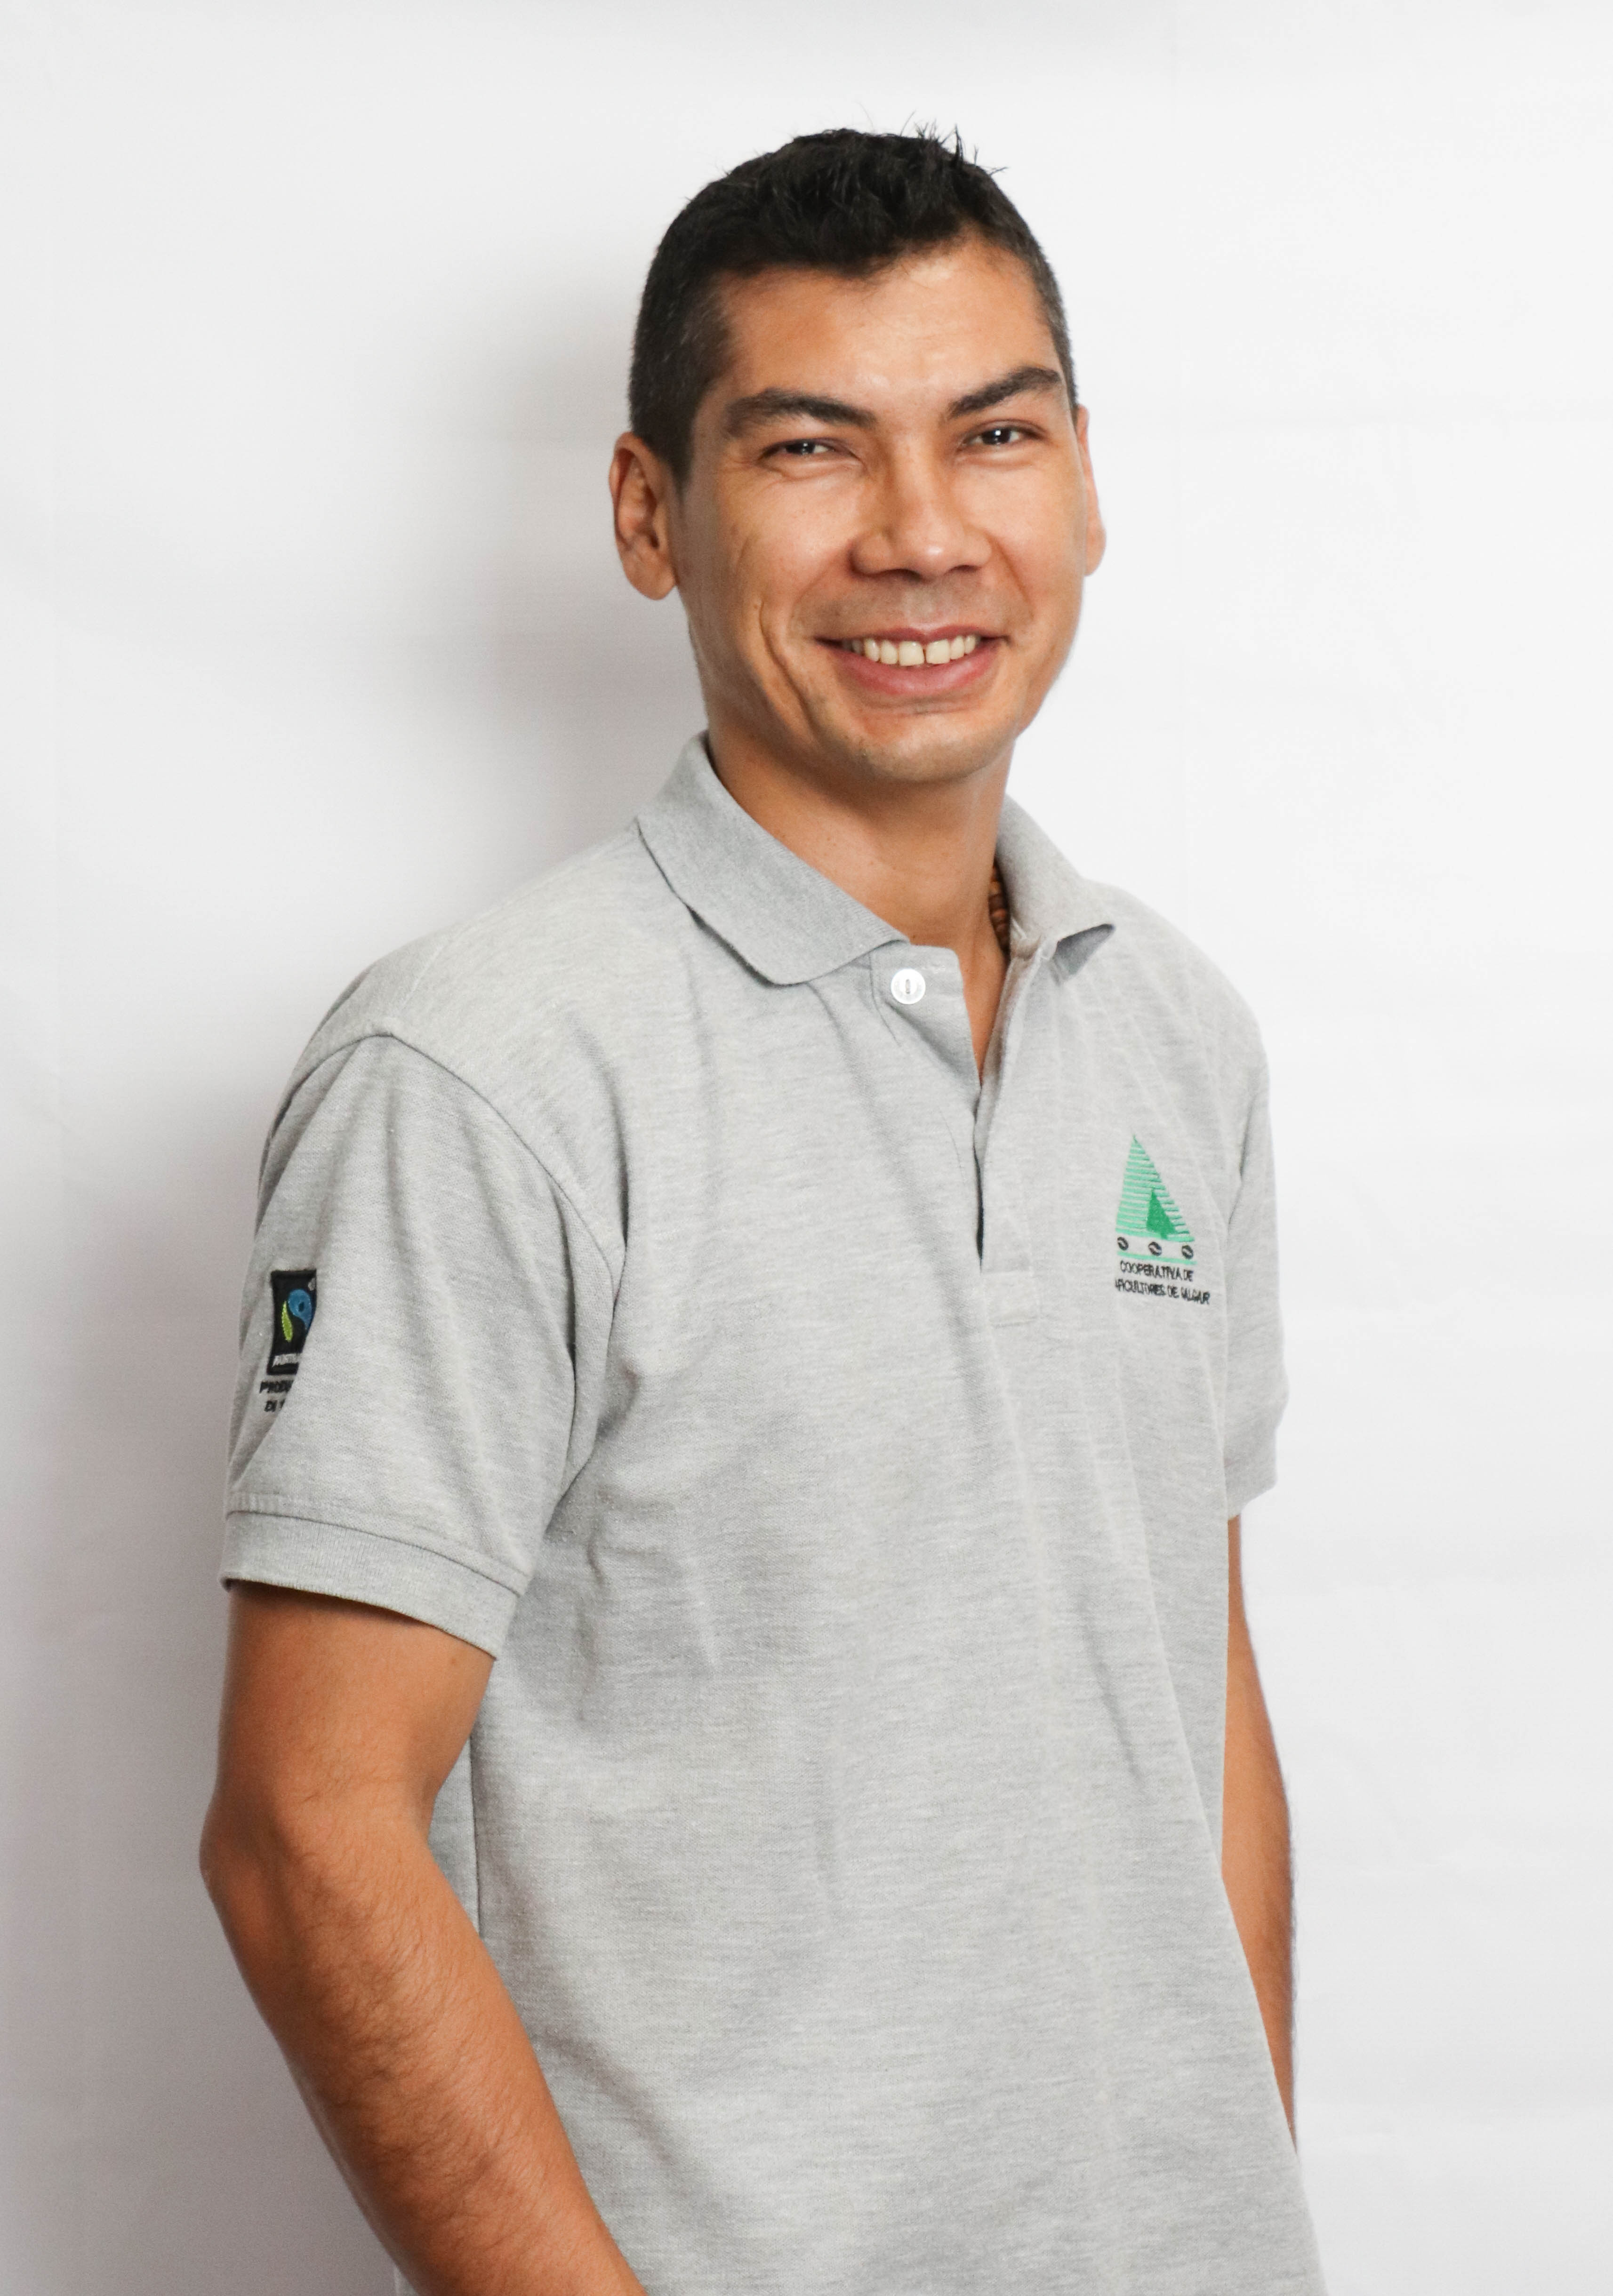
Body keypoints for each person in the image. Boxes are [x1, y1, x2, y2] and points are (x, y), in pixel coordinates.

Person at [202, 128, 1325, 2296]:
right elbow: (302, 1830)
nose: (920, 533)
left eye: (991, 434)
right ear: (651, 514)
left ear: (1084, 481)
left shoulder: (1173, 1030)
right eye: (810, 447)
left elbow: (1187, 1689)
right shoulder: (479, 1071)